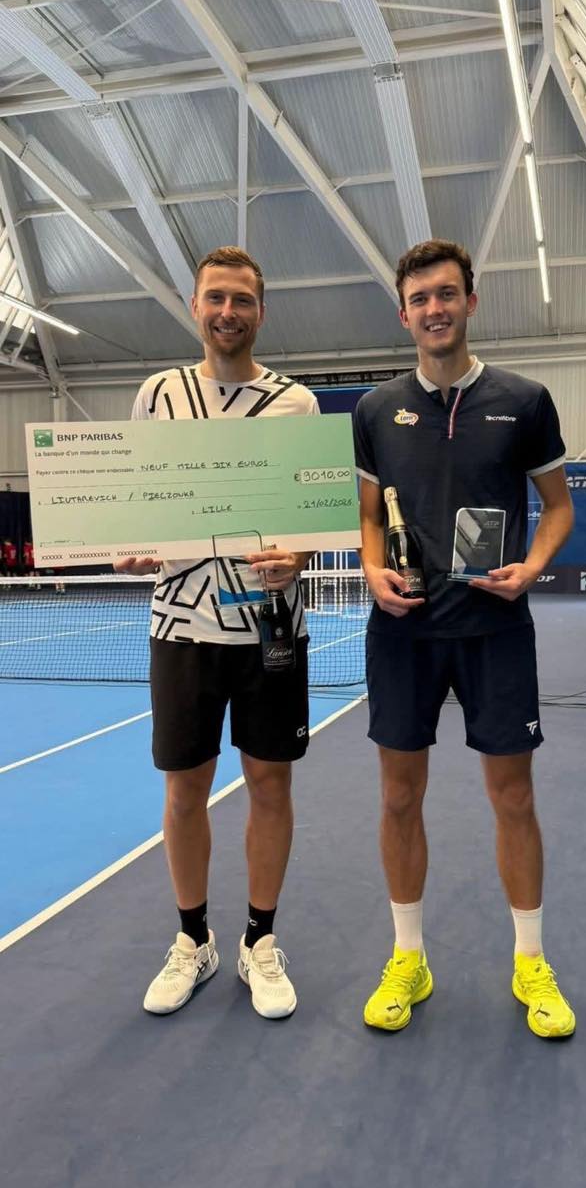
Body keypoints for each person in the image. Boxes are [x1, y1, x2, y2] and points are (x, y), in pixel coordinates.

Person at [353, 239, 576, 1038]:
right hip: (403, 633)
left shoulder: (526, 398)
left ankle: (529, 961)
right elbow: (370, 518)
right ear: (404, 311)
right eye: (420, 298)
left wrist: (534, 567)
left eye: (447, 293)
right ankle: (409, 955)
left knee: (512, 796)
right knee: (397, 796)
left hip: (496, 629)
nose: (435, 308)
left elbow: (557, 507)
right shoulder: (376, 411)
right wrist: (373, 569)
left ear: (470, 302)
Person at [115, 246, 319, 1019]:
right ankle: (194, 939)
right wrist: (132, 548)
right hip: (180, 628)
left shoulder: (295, 404)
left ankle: (258, 941)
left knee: (271, 784)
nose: (227, 311)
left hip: (270, 631)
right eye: (215, 298)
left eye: (241, 299)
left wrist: (296, 554)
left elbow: (313, 517)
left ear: (260, 312)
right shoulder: (158, 394)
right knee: (184, 789)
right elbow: (140, 508)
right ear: (194, 307)